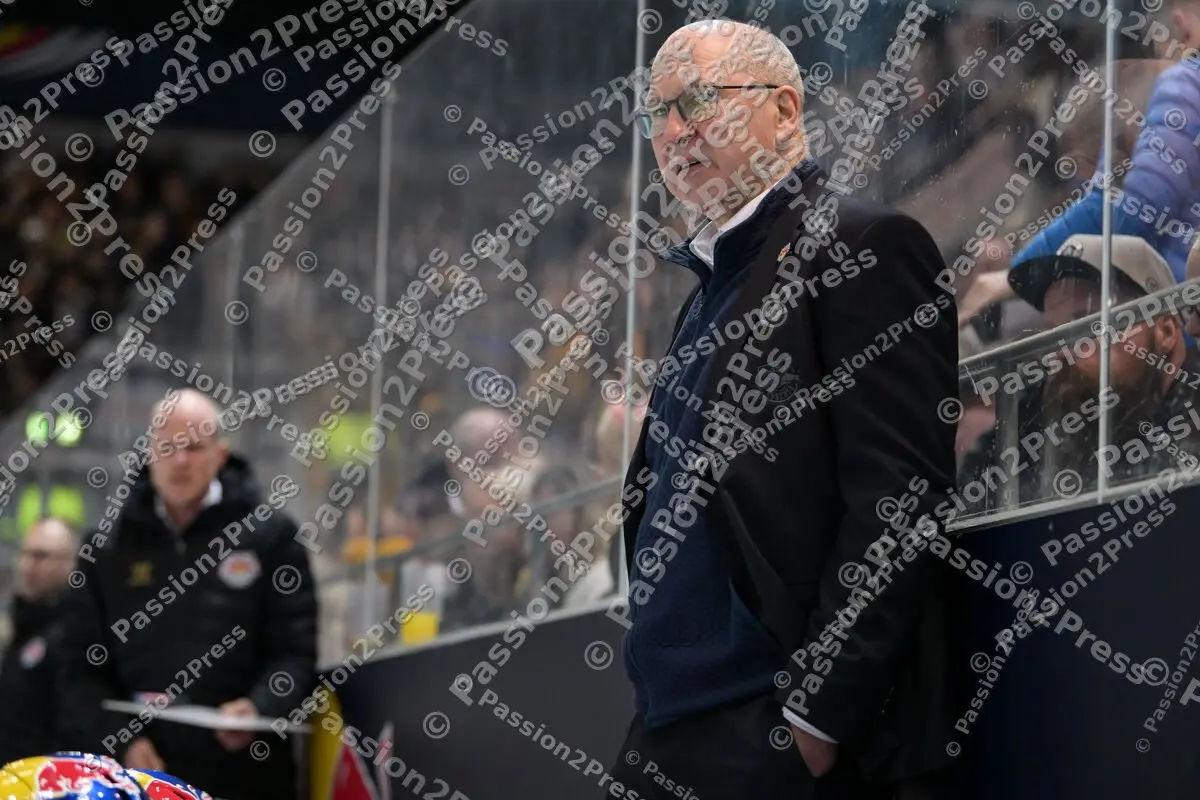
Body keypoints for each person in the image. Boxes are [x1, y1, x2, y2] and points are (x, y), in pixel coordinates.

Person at [607, 19, 961, 800]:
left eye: (697, 102)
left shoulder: (865, 246)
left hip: (772, 733)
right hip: (668, 725)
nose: (671, 132)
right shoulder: (709, 288)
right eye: (655, 114)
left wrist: (814, 720)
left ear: (785, 111)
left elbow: (899, 498)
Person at [56, 389, 318, 800]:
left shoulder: (270, 538)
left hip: (244, 775)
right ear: (148, 453)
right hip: (136, 777)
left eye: (194, 447)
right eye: (169, 448)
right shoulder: (106, 547)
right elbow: (78, 666)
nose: (180, 461)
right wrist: (122, 740)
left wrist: (260, 706)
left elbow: (296, 651)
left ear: (220, 453)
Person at [1008, 233, 1200, 484]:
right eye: (1052, 335)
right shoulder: (1038, 426)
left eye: (1086, 325)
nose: (1057, 354)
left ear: (1166, 331)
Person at [0, 517, 76, 764]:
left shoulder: (78, 634)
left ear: (71, 563)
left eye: (41, 556)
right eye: (25, 554)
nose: (28, 565)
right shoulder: (23, 622)